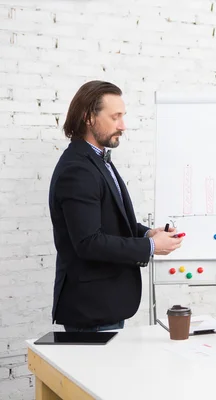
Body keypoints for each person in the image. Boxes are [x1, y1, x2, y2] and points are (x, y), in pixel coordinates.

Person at [49, 80, 183, 332]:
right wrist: (151, 246)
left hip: (105, 306)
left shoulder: (98, 160)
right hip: (92, 311)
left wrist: (146, 233)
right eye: (115, 117)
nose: (123, 125)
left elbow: (110, 221)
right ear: (89, 118)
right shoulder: (78, 169)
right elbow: (89, 242)